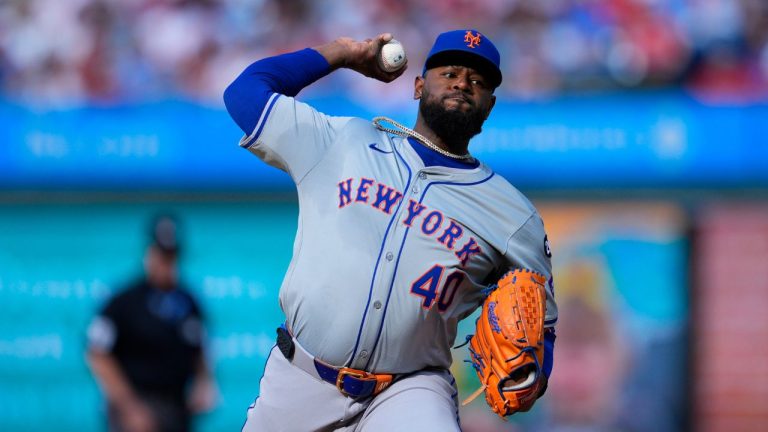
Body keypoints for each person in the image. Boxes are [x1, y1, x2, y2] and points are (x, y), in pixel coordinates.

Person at [223, 29, 558, 431]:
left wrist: (531, 377)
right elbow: (245, 92)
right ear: (418, 86)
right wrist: (343, 54)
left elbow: (543, 329)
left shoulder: (513, 215)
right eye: (449, 73)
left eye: (477, 81)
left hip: (410, 389)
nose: (462, 84)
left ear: (490, 106)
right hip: (301, 378)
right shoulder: (342, 140)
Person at [86, 215, 216, 432]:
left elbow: (200, 347)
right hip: (137, 408)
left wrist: (204, 383)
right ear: (149, 254)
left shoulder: (188, 301)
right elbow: (97, 354)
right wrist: (129, 406)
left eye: (172, 256)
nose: (167, 264)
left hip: (177, 408)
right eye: (162, 256)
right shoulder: (124, 301)